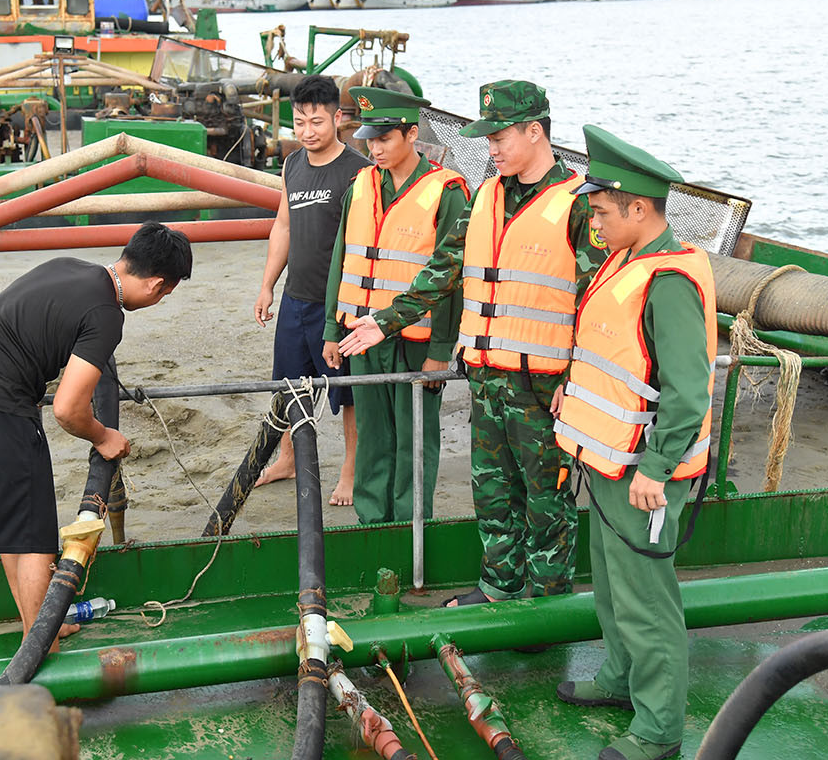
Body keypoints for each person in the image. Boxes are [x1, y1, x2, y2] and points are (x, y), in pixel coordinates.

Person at [339, 81, 606, 605]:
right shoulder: (485, 195)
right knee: (492, 495)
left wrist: (576, 380)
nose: (493, 149)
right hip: (486, 376)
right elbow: (442, 270)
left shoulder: (576, 204)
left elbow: (595, 301)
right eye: (488, 140)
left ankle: (546, 602)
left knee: (546, 500)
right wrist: (386, 321)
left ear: (536, 131)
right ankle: (498, 588)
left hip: (543, 383)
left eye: (501, 137)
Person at [0, 223, 192, 647]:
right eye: (165, 294)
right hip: (0, 410)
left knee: (9, 527)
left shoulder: (69, 266)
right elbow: (68, 409)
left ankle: (37, 628)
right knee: (34, 535)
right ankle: (41, 646)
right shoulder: (107, 315)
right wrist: (103, 435)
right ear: (157, 283)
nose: (159, 300)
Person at [549, 125, 716, 760]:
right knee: (615, 588)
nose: (593, 218)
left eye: (601, 209)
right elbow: (613, 355)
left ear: (639, 209)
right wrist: (573, 392)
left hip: (642, 471)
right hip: (607, 459)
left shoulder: (668, 281)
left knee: (648, 601)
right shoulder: (626, 259)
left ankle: (658, 726)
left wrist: (656, 468)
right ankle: (619, 674)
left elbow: (687, 391)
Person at [323, 86, 469, 524]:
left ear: (411, 134)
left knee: (413, 441)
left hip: (415, 341)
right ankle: (372, 523)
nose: (375, 148)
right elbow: (340, 258)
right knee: (372, 436)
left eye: (385, 138)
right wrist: (333, 329)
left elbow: (452, 279)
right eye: (370, 138)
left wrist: (440, 350)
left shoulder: (447, 191)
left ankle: (410, 526)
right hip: (361, 337)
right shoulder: (361, 186)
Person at [252, 74, 369, 505]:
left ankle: (351, 470)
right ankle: (286, 458)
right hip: (295, 297)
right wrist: (267, 286)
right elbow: (282, 225)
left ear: (338, 119)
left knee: (348, 393)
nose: (307, 132)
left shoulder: (358, 171)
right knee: (288, 383)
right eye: (299, 123)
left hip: (338, 304)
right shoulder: (292, 164)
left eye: (316, 122)